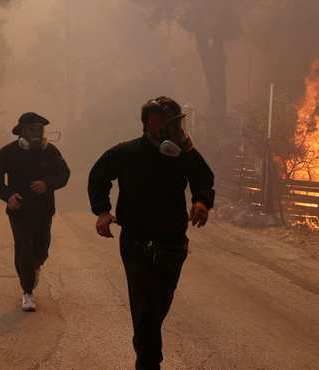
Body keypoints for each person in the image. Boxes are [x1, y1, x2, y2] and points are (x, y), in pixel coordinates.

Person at [88, 96, 215, 369]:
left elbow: (204, 179)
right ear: (154, 127)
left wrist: (201, 201)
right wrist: (102, 210)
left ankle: (145, 355)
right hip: (136, 244)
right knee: (146, 312)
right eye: (173, 125)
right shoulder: (127, 153)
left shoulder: (186, 155)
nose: (179, 131)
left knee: (157, 312)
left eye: (180, 124)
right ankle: (149, 364)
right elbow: (98, 176)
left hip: (172, 247)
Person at [0, 112, 70, 312]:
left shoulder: (50, 151)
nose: (36, 133)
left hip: (43, 212)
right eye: (31, 129)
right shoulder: (8, 152)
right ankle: (28, 294)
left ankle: (35, 268)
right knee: (24, 250)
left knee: (40, 252)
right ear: (22, 132)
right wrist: (8, 196)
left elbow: (64, 174)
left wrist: (48, 184)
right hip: (19, 212)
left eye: (39, 129)